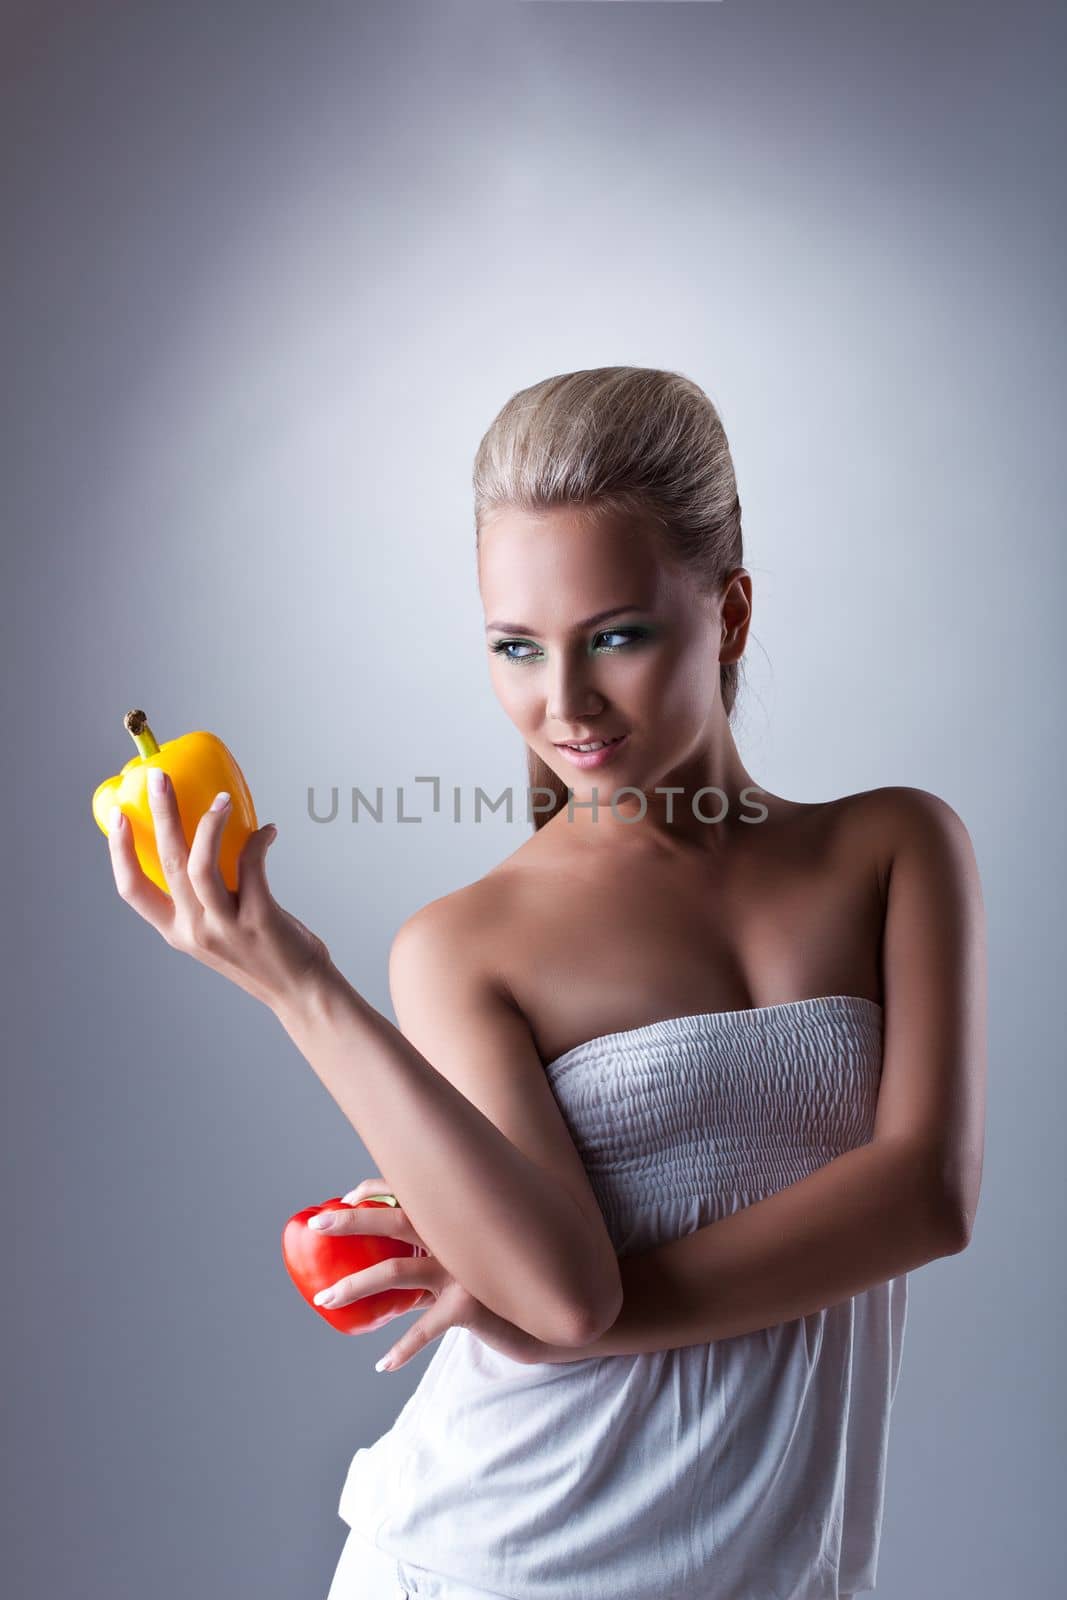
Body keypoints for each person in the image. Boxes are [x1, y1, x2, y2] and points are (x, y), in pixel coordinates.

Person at [105, 367, 987, 1600]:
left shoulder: (895, 846)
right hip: (494, 1562)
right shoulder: (466, 944)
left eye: (614, 636)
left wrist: (538, 1302)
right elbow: (568, 1294)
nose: (561, 703)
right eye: (515, 647)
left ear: (728, 613)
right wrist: (298, 984)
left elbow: (925, 1197)